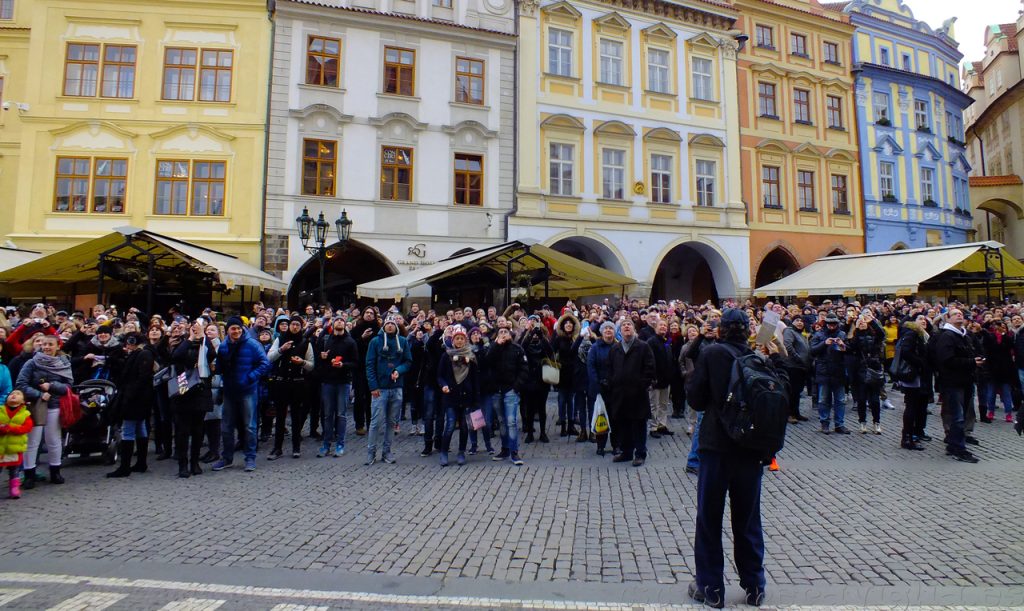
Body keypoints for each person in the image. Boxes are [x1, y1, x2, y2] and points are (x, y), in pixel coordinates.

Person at [686, 308, 781, 608]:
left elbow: (696, 398)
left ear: (722, 329)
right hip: (750, 450)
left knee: (709, 520)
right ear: (747, 331)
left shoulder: (713, 354)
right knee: (748, 519)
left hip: (716, 447)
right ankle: (754, 586)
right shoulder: (758, 356)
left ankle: (711, 588)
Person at [212, 317, 271, 473]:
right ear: (228, 330)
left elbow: (265, 363)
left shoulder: (252, 344)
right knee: (226, 427)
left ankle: (250, 458)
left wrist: (251, 377)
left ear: (242, 328)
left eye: (238, 328)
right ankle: (227, 458)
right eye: (233, 329)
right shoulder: (224, 346)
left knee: (250, 427)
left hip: (248, 391)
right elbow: (220, 367)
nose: (236, 331)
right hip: (230, 391)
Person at [16, 335, 72, 486]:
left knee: (53, 440)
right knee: (32, 441)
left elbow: (68, 386)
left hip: (55, 405)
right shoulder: (31, 362)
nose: (47, 347)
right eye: (44, 344)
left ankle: (55, 472)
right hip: (35, 405)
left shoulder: (64, 362)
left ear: (57, 346)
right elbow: (21, 384)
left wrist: (52, 386)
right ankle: (29, 474)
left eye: (50, 344)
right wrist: (39, 394)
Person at [930, 308, 981, 463]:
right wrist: (971, 362)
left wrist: (977, 360)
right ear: (948, 319)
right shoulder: (947, 336)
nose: (959, 315)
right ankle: (959, 448)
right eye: (955, 314)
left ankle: (953, 444)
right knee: (957, 417)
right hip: (953, 382)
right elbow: (946, 360)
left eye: (960, 314)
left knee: (962, 415)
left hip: (966, 380)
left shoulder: (964, 335)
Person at [170, 320, 217, 478]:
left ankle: (194, 462)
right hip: (184, 390)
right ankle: (182, 464)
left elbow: (212, 354)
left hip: (200, 390)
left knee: (198, 430)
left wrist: (203, 336)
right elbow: (176, 356)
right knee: (182, 430)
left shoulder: (205, 345)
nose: (196, 331)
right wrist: (190, 338)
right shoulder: (182, 344)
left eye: (198, 329)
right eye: (193, 329)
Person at [107, 332, 156, 478]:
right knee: (140, 428)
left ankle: (125, 466)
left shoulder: (143, 354)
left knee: (128, 430)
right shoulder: (140, 354)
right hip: (139, 398)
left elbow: (142, 377)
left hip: (135, 398)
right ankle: (141, 462)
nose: (126, 346)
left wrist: (129, 395)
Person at [364, 317, 411, 466]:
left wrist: (399, 370)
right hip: (380, 389)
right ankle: (371, 453)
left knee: (391, 422)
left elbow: (408, 361)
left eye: (393, 324)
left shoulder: (402, 341)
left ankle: (387, 451)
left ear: (397, 326)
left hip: (396, 388)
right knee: (375, 422)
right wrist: (373, 387)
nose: (390, 326)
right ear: (383, 326)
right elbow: (369, 365)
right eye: (388, 324)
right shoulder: (375, 342)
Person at [608, 320, 655, 466]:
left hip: (638, 394)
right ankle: (626, 452)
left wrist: (642, 385)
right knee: (624, 424)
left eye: (629, 325)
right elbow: (609, 369)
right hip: (620, 394)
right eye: (623, 326)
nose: (626, 327)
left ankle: (640, 453)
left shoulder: (643, 346)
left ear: (634, 330)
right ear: (620, 331)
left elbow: (650, 368)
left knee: (639, 425)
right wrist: (613, 384)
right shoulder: (615, 349)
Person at [266, 315, 314, 459]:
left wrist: (302, 363)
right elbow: (269, 357)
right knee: (280, 415)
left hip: (297, 382)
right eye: (292, 324)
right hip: (281, 382)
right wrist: (281, 349)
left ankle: (296, 447)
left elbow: (311, 365)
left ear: (301, 327)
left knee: (296, 416)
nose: (294, 327)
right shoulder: (280, 339)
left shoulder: (306, 342)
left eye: (297, 325)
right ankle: (277, 448)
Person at [436, 325, 479, 466]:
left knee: (465, 427)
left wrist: (475, 398)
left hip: (466, 397)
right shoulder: (446, 356)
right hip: (451, 396)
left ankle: (461, 452)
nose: (459, 341)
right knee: (449, 425)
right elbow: (440, 375)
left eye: (461, 338)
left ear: (465, 340)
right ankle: (443, 452)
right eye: (457, 338)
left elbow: (474, 378)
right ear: (453, 340)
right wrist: (444, 385)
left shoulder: (471, 357)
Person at [316, 317, 358, 457]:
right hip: (328, 381)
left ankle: (340, 444)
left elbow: (355, 363)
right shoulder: (326, 340)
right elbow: (319, 362)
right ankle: (326, 444)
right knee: (328, 414)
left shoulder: (350, 342)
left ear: (345, 325)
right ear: (333, 325)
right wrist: (322, 358)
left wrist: (343, 365)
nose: (339, 322)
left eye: (341, 321)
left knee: (341, 414)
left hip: (343, 382)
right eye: (337, 320)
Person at [487, 325, 528, 466]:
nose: (503, 334)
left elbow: (524, 369)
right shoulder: (493, 348)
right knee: (502, 421)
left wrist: (516, 387)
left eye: (506, 332)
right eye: (501, 332)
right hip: (497, 389)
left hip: (511, 390)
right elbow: (487, 362)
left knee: (511, 421)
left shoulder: (517, 349)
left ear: (511, 335)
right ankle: (504, 449)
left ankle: (514, 451)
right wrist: (496, 346)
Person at [810, 314, 850, 435]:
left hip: (839, 371)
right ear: (826, 324)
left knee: (840, 400)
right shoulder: (818, 335)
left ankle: (839, 424)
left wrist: (843, 346)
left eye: (834, 324)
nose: (832, 326)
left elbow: (849, 350)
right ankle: (825, 423)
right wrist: (824, 343)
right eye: (829, 324)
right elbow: (812, 350)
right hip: (824, 370)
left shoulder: (842, 334)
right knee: (823, 400)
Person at [586, 321, 618, 456]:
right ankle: (600, 446)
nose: (608, 330)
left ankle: (616, 445)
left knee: (616, 418)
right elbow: (591, 367)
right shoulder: (595, 348)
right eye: (606, 328)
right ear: (601, 331)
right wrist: (598, 384)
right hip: (599, 389)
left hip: (615, 388)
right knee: (601, 417)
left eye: (611, 328)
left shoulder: (618, 347)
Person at [0, 390, 32, 499]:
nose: (14, 395)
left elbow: (27, 427)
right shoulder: (1, 410)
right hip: (1, 447)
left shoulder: (25, 414)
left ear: (23, 401)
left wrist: (11, 428)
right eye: (11, 394)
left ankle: (14, 488)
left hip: (15, 447)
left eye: (18, 394)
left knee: (14, 469)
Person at [646, 319, 674, 438]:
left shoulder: (666, 341)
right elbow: (649, 361)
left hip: (666, 379)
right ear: (655, 327)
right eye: (660, 325)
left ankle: (662, 425)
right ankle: (653, 427)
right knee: (654, 405)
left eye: (664, 325)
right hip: (655, 379)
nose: (663, 327)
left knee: (664, 404)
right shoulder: (651, 341)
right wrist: (651, 377)